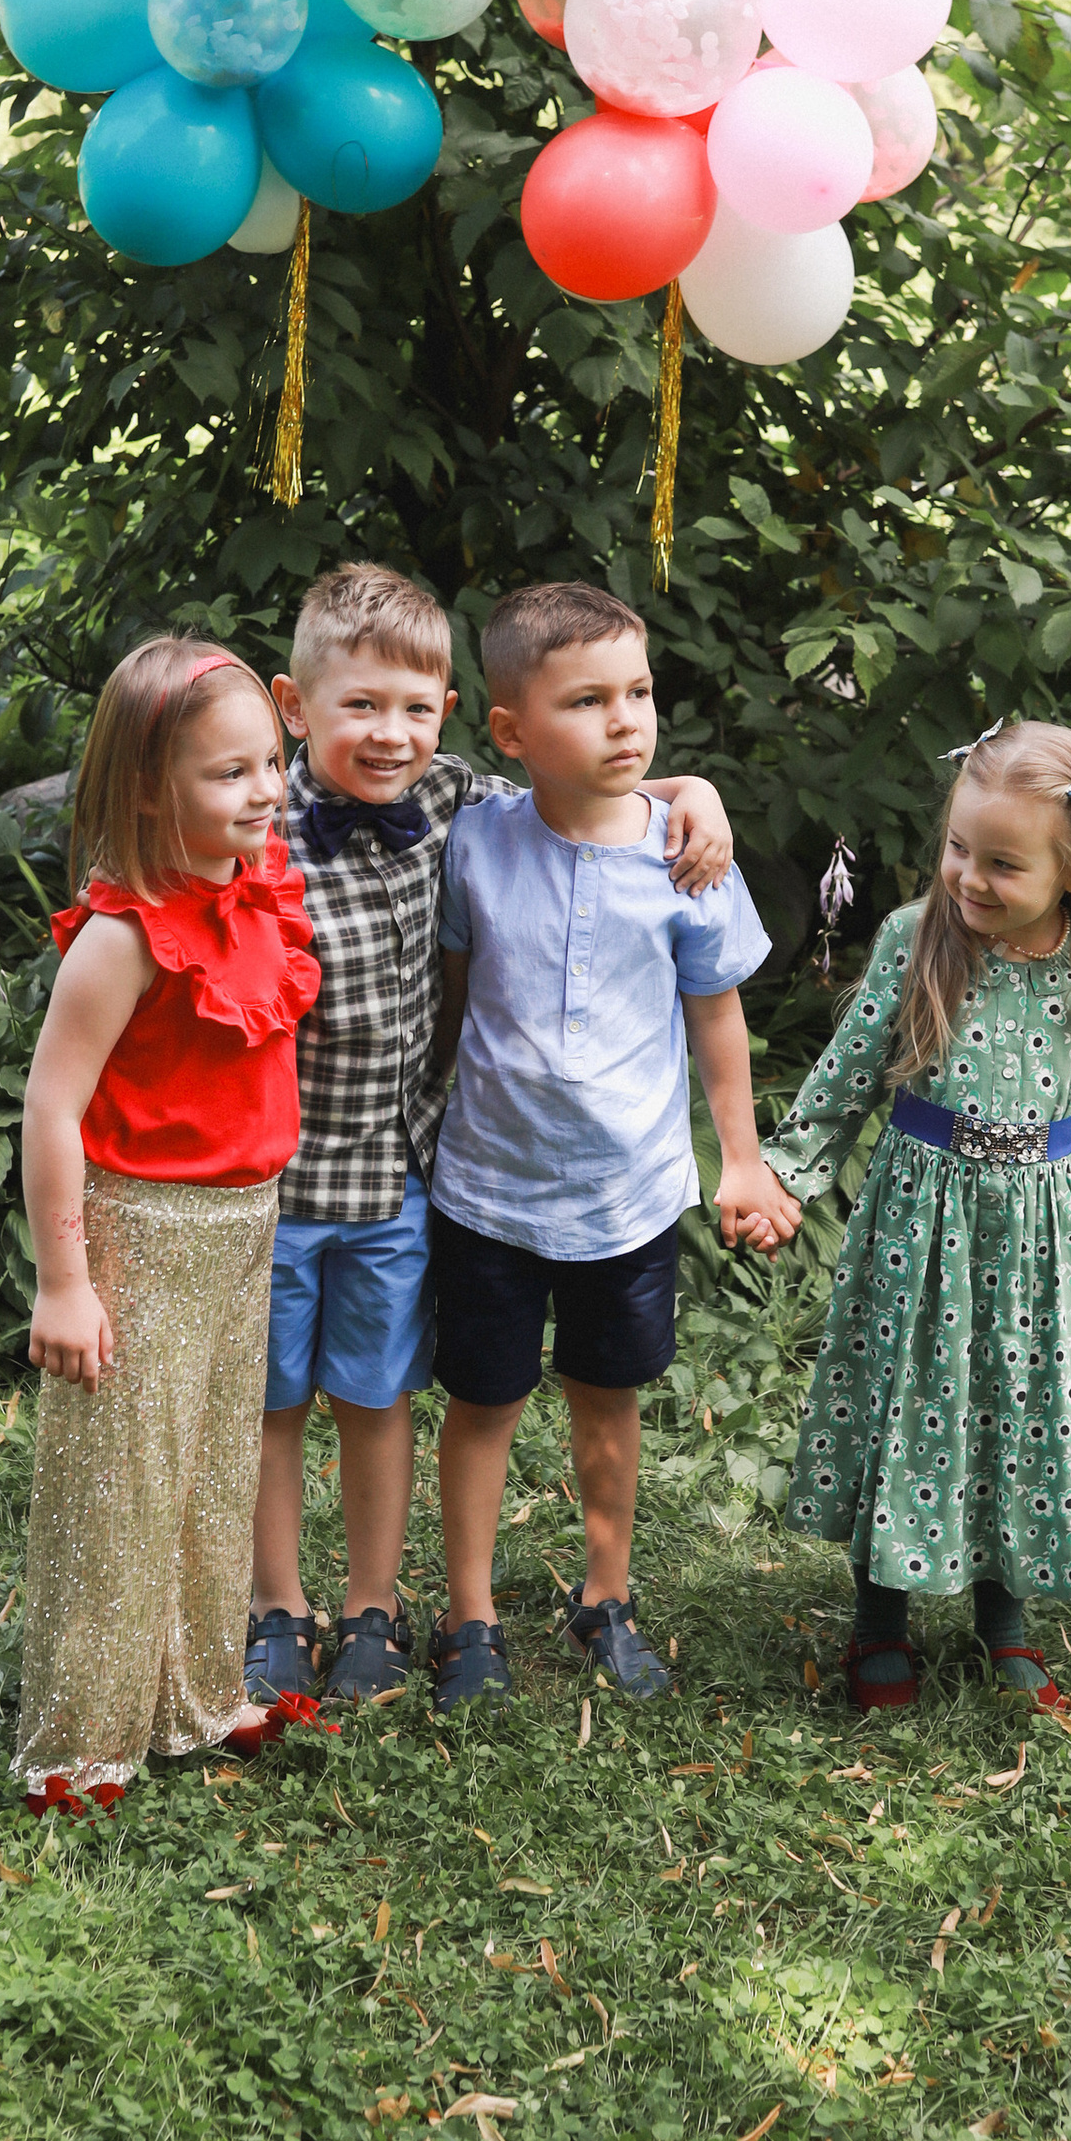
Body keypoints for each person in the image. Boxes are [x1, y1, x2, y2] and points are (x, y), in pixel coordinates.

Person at [248, 560, 738, 1708]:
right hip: (278, 1177)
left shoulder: (453, 800)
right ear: (293, 704)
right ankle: (279, 1605)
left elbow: (587, 780)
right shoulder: (256, 824)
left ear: (456, 721)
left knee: (380, 1396)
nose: (387, 733)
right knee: (277, 1403)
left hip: (406, 1185)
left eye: (414, 709)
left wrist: (692, 790)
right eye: (357, 706)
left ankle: (381, 1604)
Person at [767, 719, 1071, 1718]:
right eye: (960, 849)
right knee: (910, 1404)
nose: (970, 878)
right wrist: (789, 1171)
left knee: (1015, 1412)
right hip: (920, 1231)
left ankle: (1005, 1620)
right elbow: (848, 1075)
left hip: (1039, 1244)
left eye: (1003, 863)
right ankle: (880, 1620)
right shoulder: (917, 942)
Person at [427, 579, 795, 1711]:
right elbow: (449, 991)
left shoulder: (687, 857)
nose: (627, 720)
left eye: (638, 692)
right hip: (486, 1188)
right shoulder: (476, 842)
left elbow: (716, 1013)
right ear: (510, 732)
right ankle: (470, 1615)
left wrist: (739, 1156)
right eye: (586, 701)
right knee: (481, 1403)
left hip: (628, 1194)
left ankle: (606, 1595)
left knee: (607, 1400)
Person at [17, 638, 321, 1805]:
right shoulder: (124, 935)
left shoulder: (261, 887)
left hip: (248, 1223)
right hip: (142, 1229)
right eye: (228, 774)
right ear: (150, 789)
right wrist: (65, 1277)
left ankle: (193, 1696)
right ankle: (83, 1737)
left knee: (208, 1473)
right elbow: (53, 1103)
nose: (263, 791)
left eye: (270, 763)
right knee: (121, 1486)